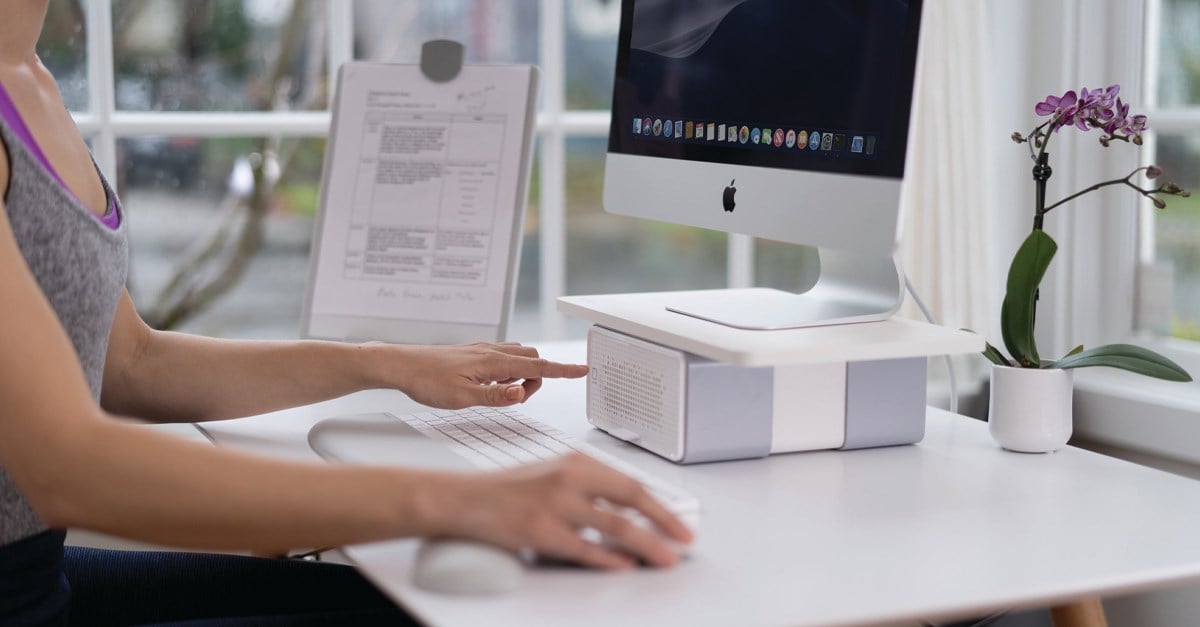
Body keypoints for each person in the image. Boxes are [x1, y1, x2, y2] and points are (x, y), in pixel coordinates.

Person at [0, 2, 693, 624]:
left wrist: (384, 362)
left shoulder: (31, 80)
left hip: (42, 572)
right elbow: (66, 466)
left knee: (392, 600)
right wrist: (462, 501)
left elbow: (130, 364)